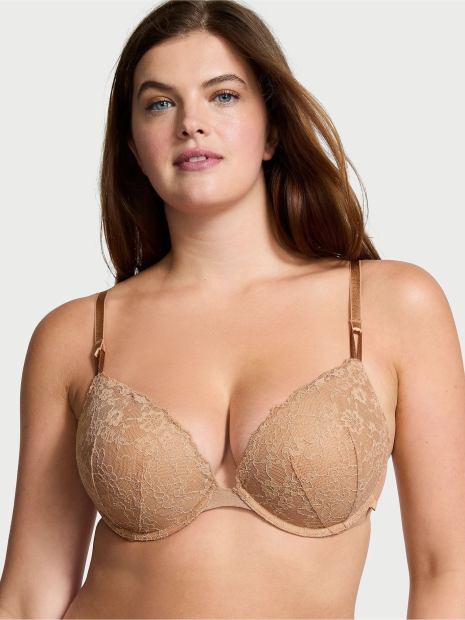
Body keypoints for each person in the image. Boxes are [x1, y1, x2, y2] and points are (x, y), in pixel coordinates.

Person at [1, 0, 464, 617]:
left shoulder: (393, 305)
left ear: (272, 131)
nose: (191, 124)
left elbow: (445, 570)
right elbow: (29, 593)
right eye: (159, 104)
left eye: (222, 96)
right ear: (133, 146)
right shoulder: (76, 336)